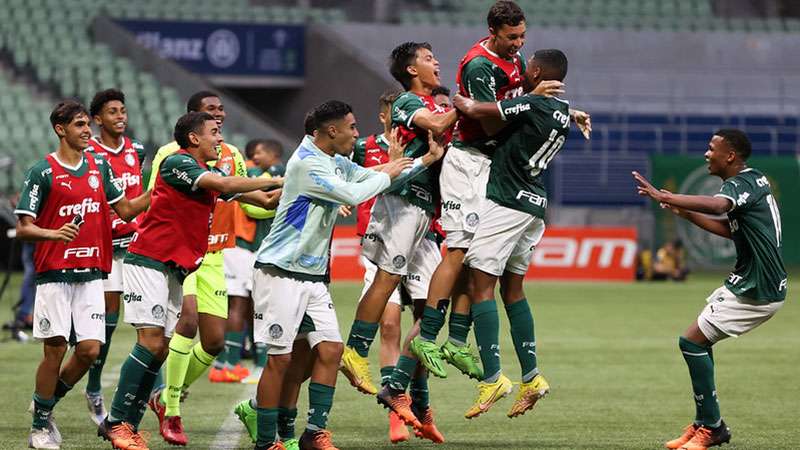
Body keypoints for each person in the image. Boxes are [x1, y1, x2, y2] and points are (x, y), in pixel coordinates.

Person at [234, 100, 442, 450]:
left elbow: (373, 179)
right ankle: (266, 440)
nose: (357, 133)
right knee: (281, 359)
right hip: (280, 271)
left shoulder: (334, 161)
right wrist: (386, 172)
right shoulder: (307, 164)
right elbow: (355, 192)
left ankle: (314, 433)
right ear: (332, 131)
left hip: (313, 276)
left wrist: (424, 160)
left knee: (330, 350)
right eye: (352, 127)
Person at [98, 111, 281, 450]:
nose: (220, 139)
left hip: (175, 269)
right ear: (194, 138)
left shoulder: (207, 173)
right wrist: (278, 179)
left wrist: (304, 187)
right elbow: (226, 185)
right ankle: (115, 422)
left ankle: (130, 425)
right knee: (151, 344)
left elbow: (263, 201)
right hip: (148, 261)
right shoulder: (175, 163)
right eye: (214, 132)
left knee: (160, 350)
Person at [633, 129, 787, 450]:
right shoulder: (752, 182)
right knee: (697, 343)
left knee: (690, 342)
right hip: (751, 282)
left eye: (711, 148)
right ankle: (706, 422)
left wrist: (668, 196)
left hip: (757, 288)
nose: (706, 154)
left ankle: (712, 426)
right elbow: (728, 230)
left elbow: (718, 208)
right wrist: (684, 211)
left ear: (729, 156)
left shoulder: (741, 184)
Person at [14, 100, 150, 450]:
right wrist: (53, 233)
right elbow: (23, 228)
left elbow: (127, 208)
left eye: (88, 125)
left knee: (89, 350)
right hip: (54, 274)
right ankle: (40, 428)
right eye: (79, 125)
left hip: (92, 273)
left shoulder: (99, 166)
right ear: (60, 129)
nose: (87, 130)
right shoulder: (42, 171)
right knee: (55, 349)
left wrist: (159, 190)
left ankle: (46, 404)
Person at [446, 49, 573, 419]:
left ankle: (492, 378)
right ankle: (531, 377)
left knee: (480, 283)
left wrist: (460, 100)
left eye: (527, 66)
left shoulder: (532, 104)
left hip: (508, 202)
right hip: (535, 205)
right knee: (513, 289)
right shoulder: (563, 111)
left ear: (535, 71)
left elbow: (482, 112)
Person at [407, 0, 529, 381]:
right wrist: (533, 110)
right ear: (493, 31)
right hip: (468, 162)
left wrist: (540, 105)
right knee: (458, 250)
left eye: (523, 35)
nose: (518, 43)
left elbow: (510, 108)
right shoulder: (480, 65)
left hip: (491, 165)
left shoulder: (516, 61)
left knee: (478, 257)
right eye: (511, 37)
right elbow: (492, 126)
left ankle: (456, 341)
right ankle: (426, 335)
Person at [147, 92, 277, 445]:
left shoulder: (231, 154)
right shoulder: (168, 155)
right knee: (186, 320)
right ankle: (172, 409)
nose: (219, 117)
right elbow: (156, 200)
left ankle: (166, 393)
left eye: (221, 111)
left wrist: (294, 195)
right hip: (182, 253)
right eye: (211, 112)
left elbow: (252, 205)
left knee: (215, 341)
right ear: (193, 122)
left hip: (216, 255)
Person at [340, 41, 457, 401]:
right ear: (411, 70)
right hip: (401, 200)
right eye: (427, 58)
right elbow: (437, 124)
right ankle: (355, 352)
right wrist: (465, 107)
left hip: (424, 207)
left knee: (434, 299)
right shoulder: (408, 103)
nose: (436, 61)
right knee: (387, 277)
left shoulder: (437, 103)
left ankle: (406, 386)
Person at [350, 90, 445, 443]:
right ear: (383, 116)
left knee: (425, 324)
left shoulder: (426, 143)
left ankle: (419, 403)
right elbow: (351, 180)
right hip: (383, 240)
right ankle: (396, 414)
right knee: (389, 325)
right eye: (394, 115)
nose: (402, 121)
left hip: (423, 240)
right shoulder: (363, 146)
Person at [83, 88, 148, 426]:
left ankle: (151, 392)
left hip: (134, 243)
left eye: (123, 110)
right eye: (112, 111)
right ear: (97, 119)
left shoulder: (137, 150)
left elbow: (137, 195)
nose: (120, 116)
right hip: (103, 246)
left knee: (146, 321)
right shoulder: (89, 152)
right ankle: (94, 388)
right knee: (106, 320)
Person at [224, 139, 285, 385]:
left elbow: (256, 208)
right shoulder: (255, 175)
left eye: (258, 153)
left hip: (259, 248)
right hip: (247, 247)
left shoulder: (273, 173)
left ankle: (242, 362)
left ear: (272, 153)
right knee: (249, 305)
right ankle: (244, 363)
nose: (253, 157)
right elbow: (255, 208)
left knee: (254, 306)